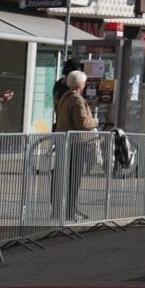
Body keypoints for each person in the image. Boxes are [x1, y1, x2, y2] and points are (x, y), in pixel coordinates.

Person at [54, 70, 99, 220]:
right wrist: (96, 121)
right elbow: (83, 123)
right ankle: (70, 211)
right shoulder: (77, 100)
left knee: (69, 178)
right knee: (74, 179)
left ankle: (70, 208)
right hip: (76, 143)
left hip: (66, 142)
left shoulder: (65, 97)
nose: (85, 85)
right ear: (80, 84)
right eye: (84, 82)